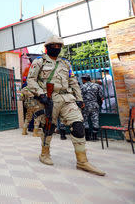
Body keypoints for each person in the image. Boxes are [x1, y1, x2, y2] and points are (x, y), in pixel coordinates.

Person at [27, 35, 105, 176]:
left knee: (78, 125)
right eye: (53, 46)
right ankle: (44, 154)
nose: (56, 48)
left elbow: (73, 81)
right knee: (49, 127)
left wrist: (79, 99)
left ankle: (82, 161)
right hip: (49, 98)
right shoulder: (39, 62)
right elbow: (31, 80)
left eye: (59, 46)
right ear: (47, 47)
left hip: (67, 98)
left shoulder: (66, 64)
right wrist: (41, 94)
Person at [80, 74, 104, 141]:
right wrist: (99, 104)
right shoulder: (97, 85)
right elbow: (101, 96)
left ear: (84, 79)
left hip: (85, 106)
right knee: (95, 120)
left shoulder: (82, 86)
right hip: (94, 105)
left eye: (82, 79)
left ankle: (87, 137)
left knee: (85, 120)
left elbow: (79, 97)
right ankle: (94, 137)